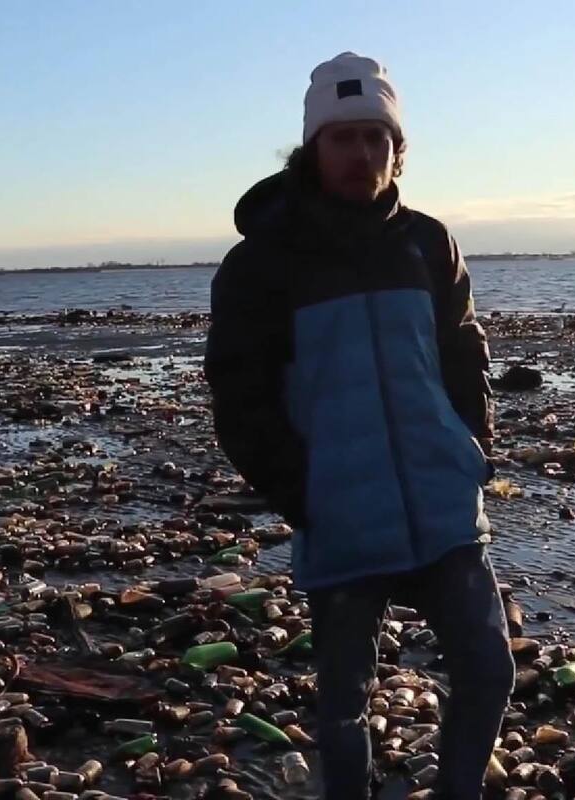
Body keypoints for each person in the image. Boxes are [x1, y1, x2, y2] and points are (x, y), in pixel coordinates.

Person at [203, 52, 515, 800]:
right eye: (343, 138)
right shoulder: (260, 265)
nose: (362, 154)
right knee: (344, 701)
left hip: (442, 500)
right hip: (340, 509)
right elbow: (238, 396)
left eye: (377, 137)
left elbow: (462, 351)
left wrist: (474, 446)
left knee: (489, 666)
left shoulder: (427, 242)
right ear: (312, 147)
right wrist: (301, 491)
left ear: (396, 149)